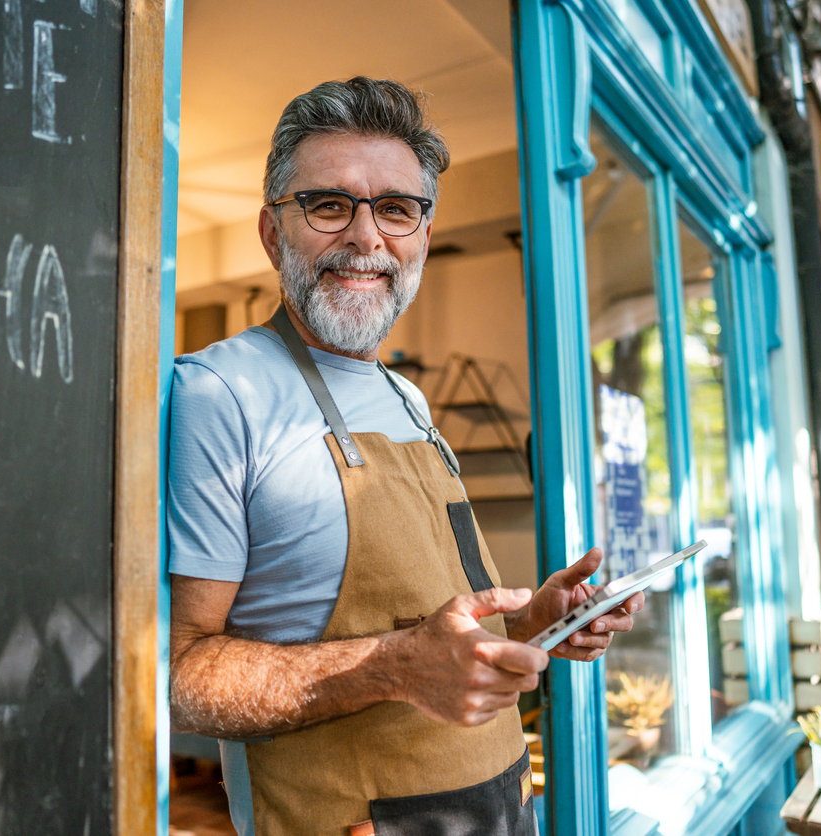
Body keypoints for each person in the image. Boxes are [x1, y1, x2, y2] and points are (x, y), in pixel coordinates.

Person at [167, 77, 645, 836]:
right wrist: (390, 666)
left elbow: (435, 643)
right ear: (271, 233)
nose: (366, 237)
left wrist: (533, 627)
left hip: (500, 813)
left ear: (422, 233)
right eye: (329, 205)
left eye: (396, 209)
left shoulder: (409, 402)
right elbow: (180, 676)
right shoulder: (220, 391)